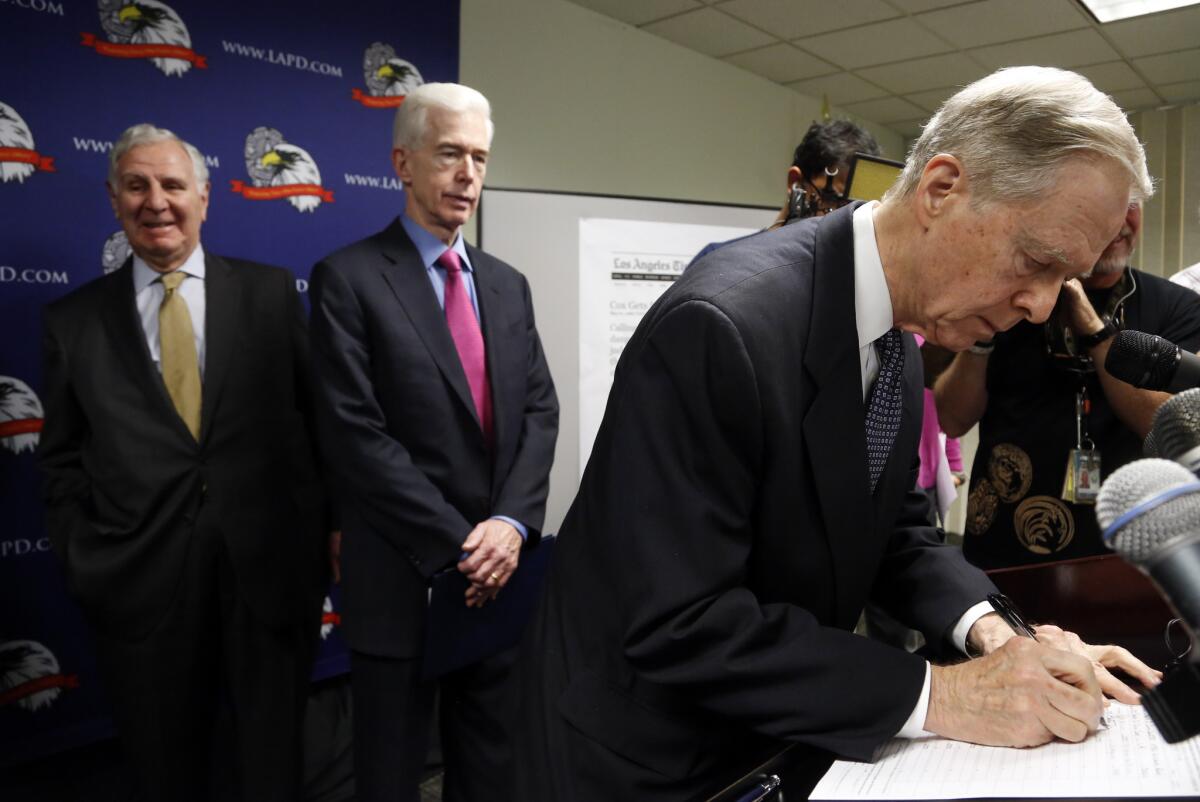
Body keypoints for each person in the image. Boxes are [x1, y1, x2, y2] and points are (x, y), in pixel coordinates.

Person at [514, 67, 1163, 800]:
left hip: (770, 739)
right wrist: (948, 696)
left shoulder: (894, 333)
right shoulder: (724, 325)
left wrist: (1006, 641)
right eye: (1036, 262)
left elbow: (898, 534)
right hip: (646, 759)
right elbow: (679, 619)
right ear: (942, 189)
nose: (1043, 308)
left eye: (1065, 281)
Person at [37, 124, 328, 801]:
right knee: (162, 765)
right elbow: (59, 460)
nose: (156, 201)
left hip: (268, 574)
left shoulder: (268, 293)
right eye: (137, 186)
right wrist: (84, 555)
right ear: (115, 200)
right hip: (139, 583)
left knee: (270, 760)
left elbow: (316, 422)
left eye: (172, 185)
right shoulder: (72, 322)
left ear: (205, 197)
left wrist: (326, 532)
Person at [309, 83, 558, 802]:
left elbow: (540, 410)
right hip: (401, 581)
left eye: (479, 158)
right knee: (388, 774)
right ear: (403, 163)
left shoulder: (508, 286)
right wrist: (462, 545)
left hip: (498, 585)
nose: (467, 175)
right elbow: (356, 435)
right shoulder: (348, 280)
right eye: (449, 154)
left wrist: (510, 526)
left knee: (490, 769)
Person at [936, 202, 1200, 568]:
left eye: (1133, 207)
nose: (1122, 222)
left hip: (1122, 549)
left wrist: (1097, 333)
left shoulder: (1178, 306)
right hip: (1004, 543)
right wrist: (985, 329)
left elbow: (1165, 425)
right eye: (1111, 205)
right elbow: (951, 419)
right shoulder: (1014, 296)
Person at [690, 120, 880, 263]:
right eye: (833, 199)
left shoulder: (852, 281)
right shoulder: (717, 260)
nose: (845, 217)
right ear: (795, 182)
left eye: (857, 208)